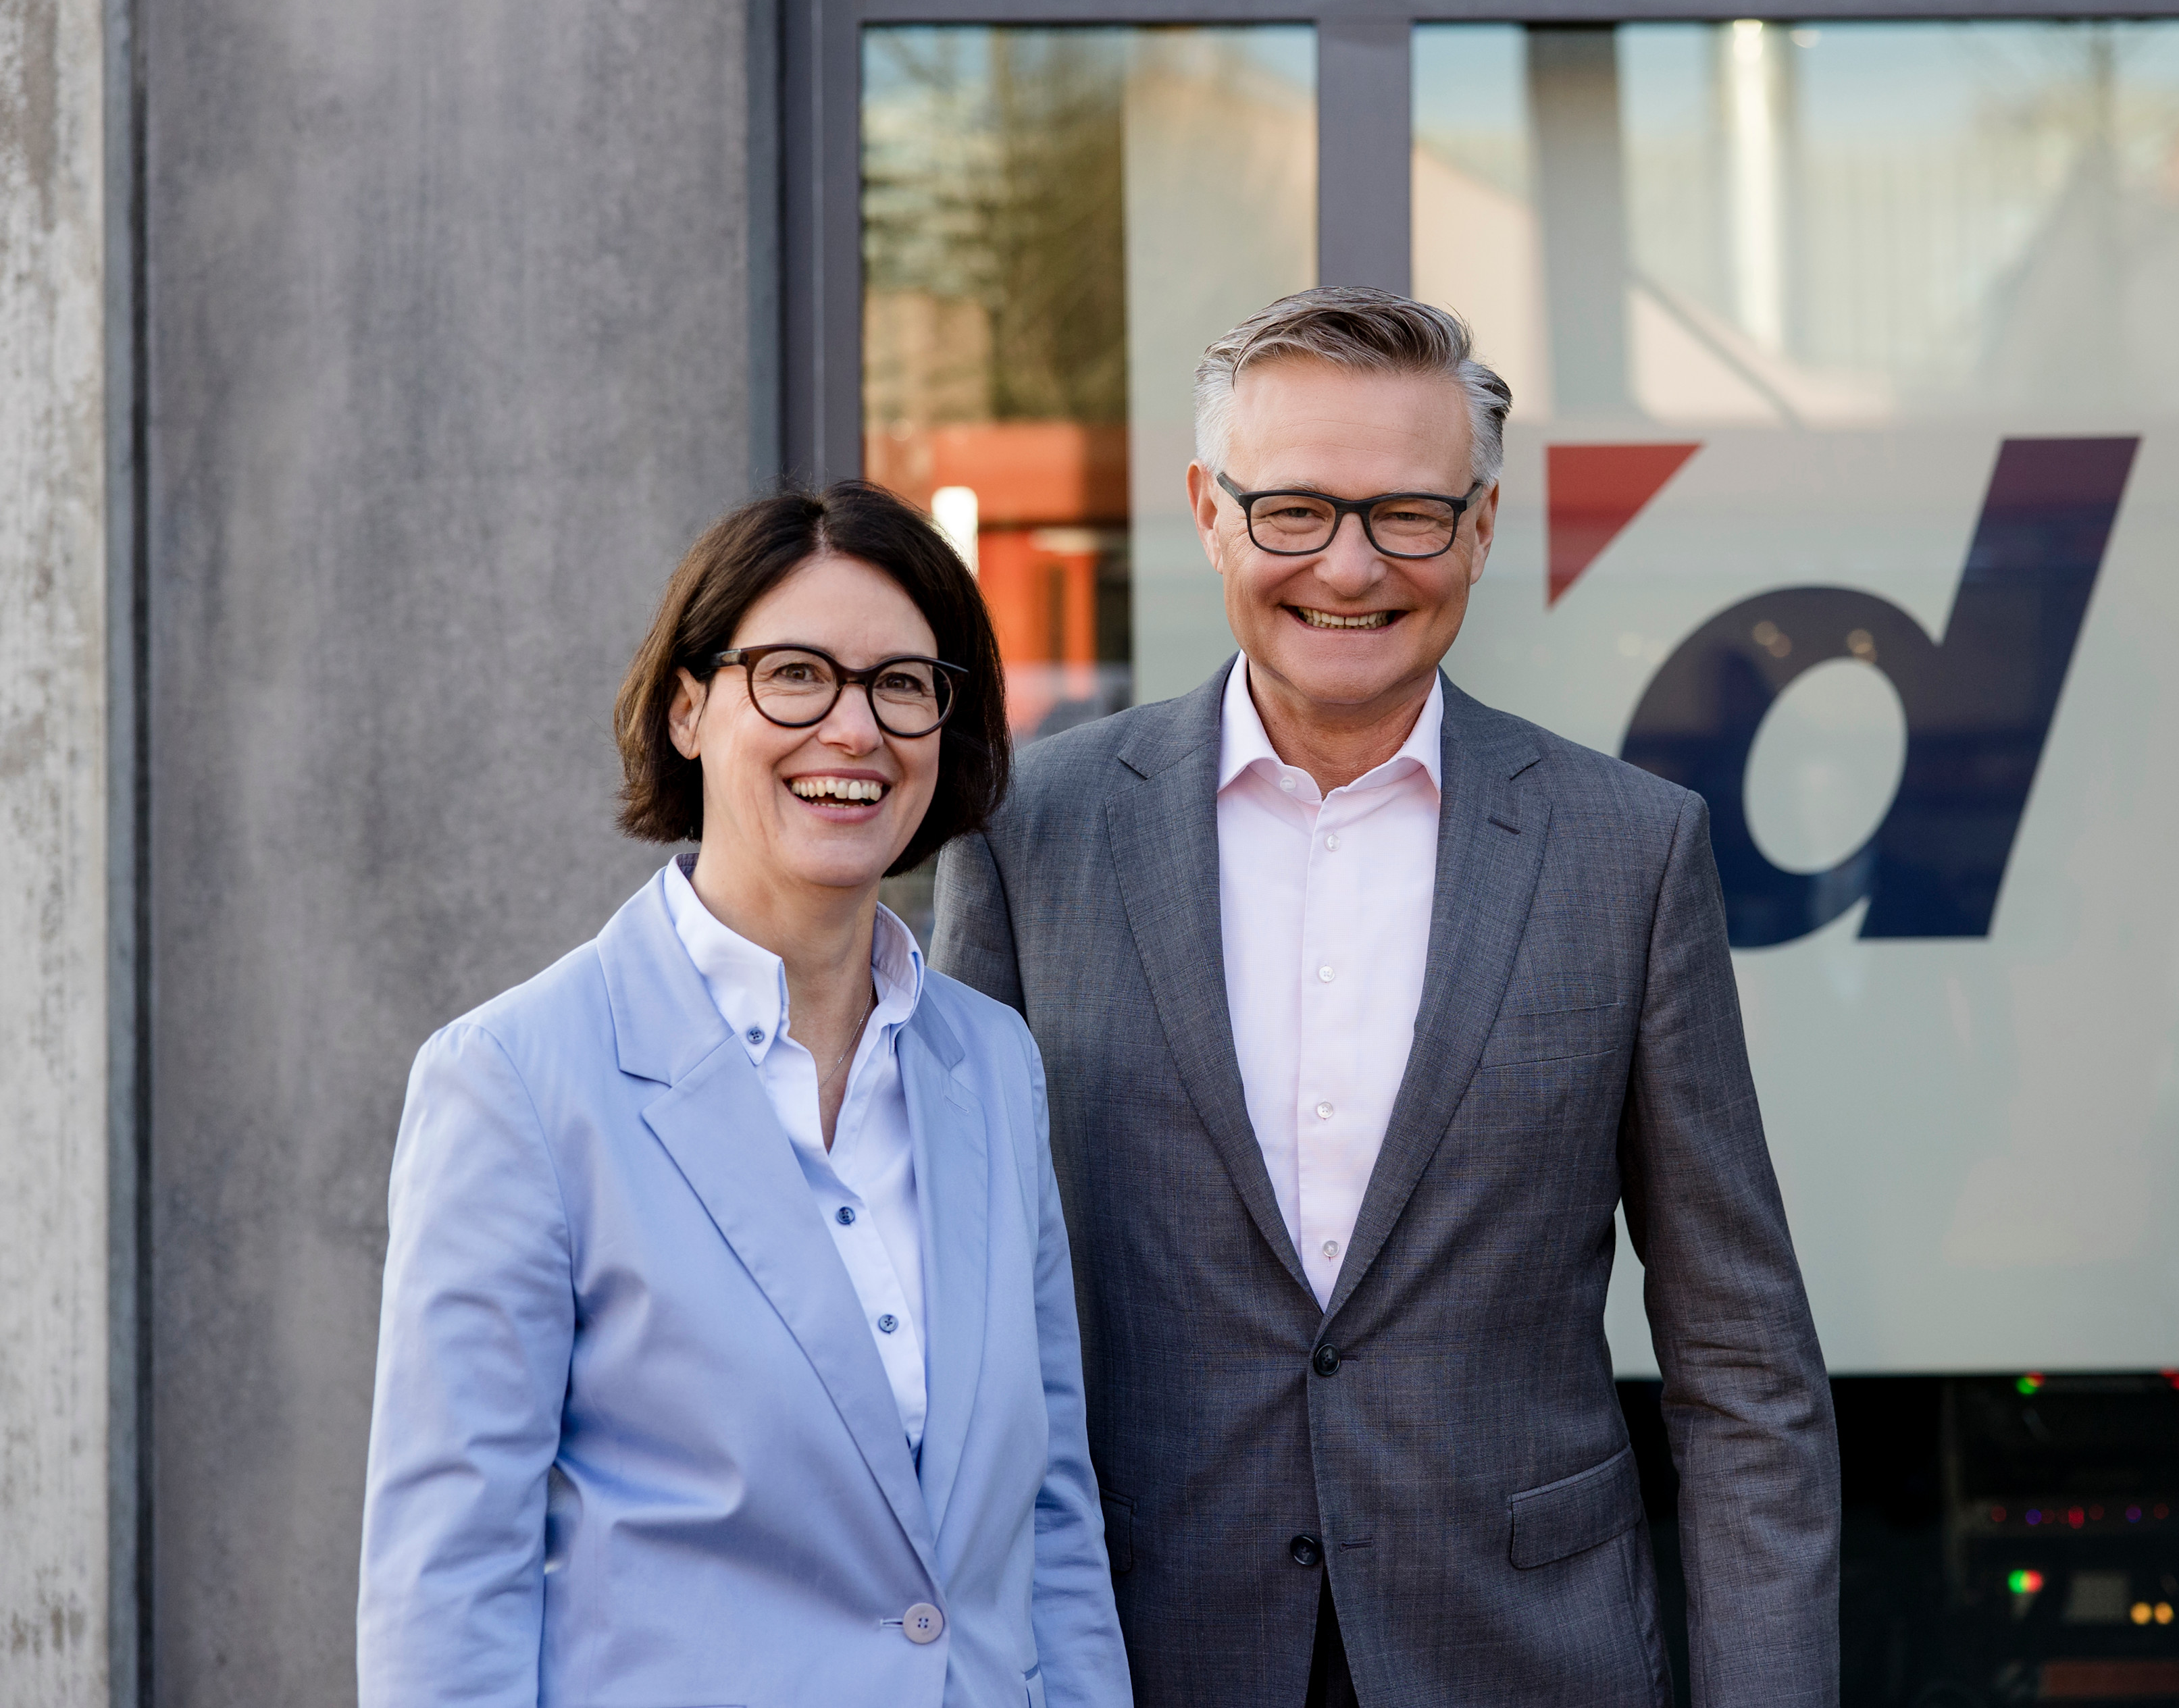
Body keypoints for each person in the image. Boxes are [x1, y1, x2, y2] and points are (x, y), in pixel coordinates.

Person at [933, 288, 1839, 1707]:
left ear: (1480, 528)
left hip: (1525, 1661)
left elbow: (1741, 1364)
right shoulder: (1031, 828)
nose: (1349, 567)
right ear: (1209, 513)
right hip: (1140, 1653)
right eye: (1293, 509)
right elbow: (950, 1302)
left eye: (1407, 514)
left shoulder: (1631, 851)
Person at [358, 482, 1129, 1708]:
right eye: (795, 676)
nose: (854, 729)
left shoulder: (991, 1062)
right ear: (687, 709)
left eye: (901, 684)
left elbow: (1049, 1516)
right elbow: (447, 1586)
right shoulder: (517, 1080)